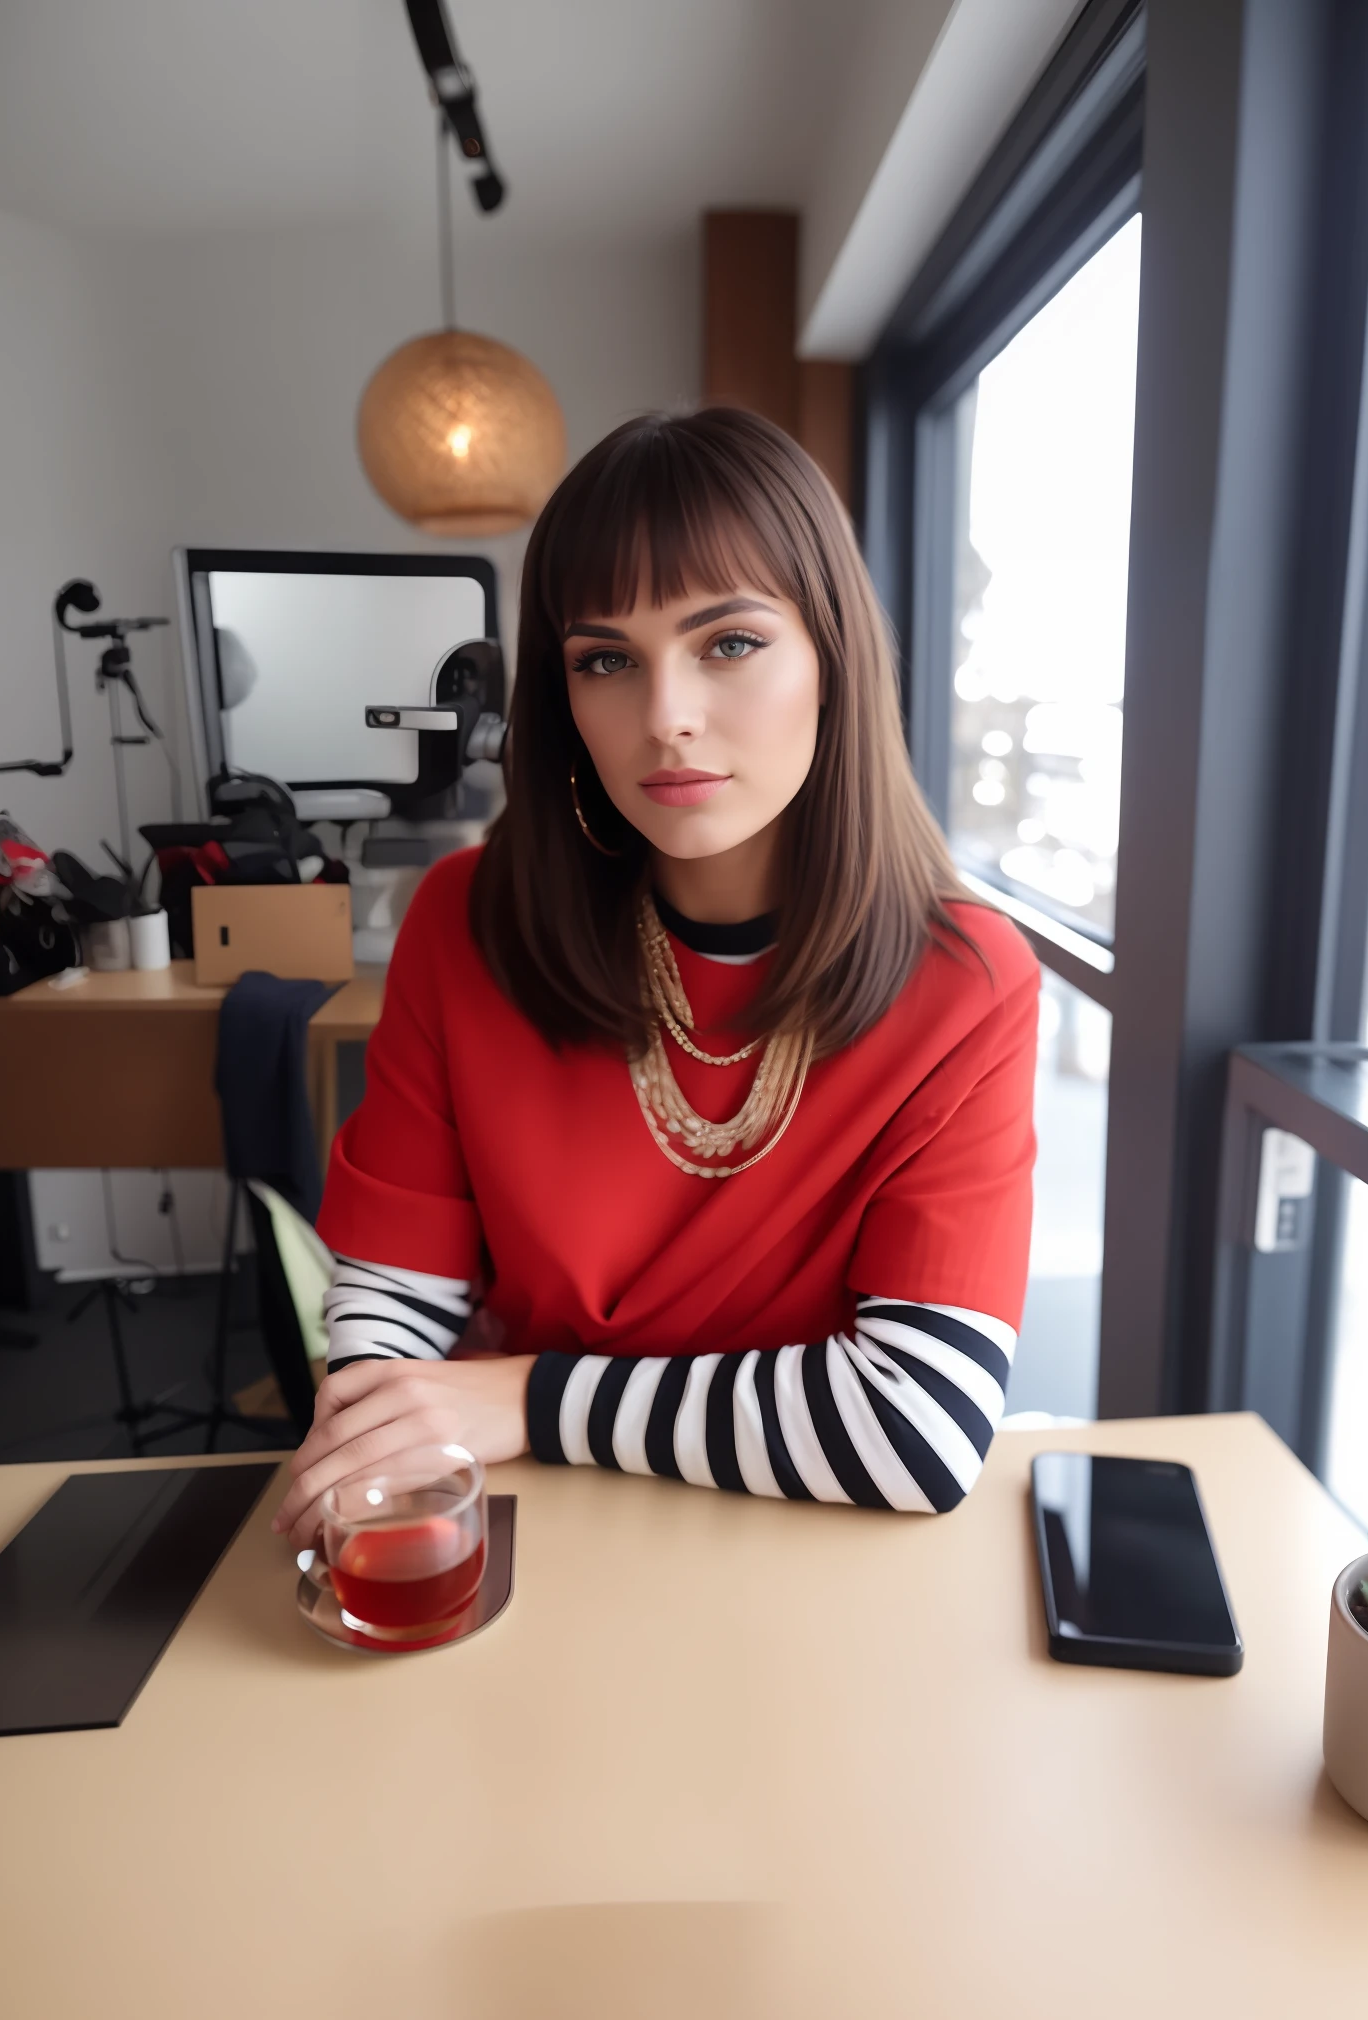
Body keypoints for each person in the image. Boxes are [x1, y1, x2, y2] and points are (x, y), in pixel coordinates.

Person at [272, 408, 1038, 1548]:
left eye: (728, 642)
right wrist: (383, 1447)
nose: (665, 717)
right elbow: (392, 1301)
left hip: (803, 1546)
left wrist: (528, 1397)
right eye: (606, 659)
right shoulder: (467, 923)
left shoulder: (964, 983)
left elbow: (915, 1429)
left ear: (832, 658)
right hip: (528, 1522)